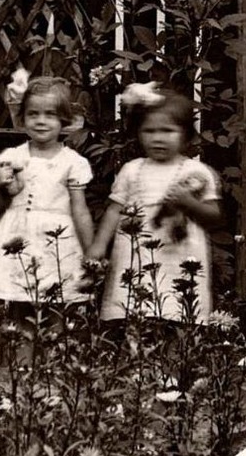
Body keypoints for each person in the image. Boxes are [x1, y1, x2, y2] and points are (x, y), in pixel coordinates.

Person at [87, 82, 222, 322]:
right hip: (136, 251)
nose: (158, 138)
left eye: (167, 131)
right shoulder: (132, 170)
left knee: (177, 306)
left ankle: (174, 352)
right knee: (133, 307)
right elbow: (114, 210)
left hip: (179, 252)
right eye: (149, 131)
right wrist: (98, 246)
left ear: (185, 134)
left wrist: (189, 203)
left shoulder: (196, 172)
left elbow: (213, 216)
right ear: (138, 133)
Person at [0, 75, 95, 306]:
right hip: (19, 239)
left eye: (50, 114)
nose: (41, 121)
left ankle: (52, 342)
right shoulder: (14, 156)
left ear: (64, 119)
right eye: (33, 114)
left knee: (56, 303)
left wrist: (91, 254)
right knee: (20, 302)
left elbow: (80, 210)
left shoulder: (72, 162)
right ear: (22, 118)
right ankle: (20, 341)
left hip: (58, 241)